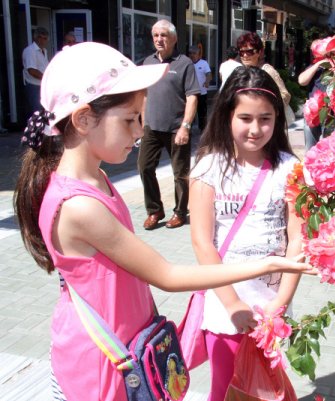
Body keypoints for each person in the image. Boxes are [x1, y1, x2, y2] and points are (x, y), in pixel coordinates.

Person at [13, 42, 314, 401]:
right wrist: (265, 264)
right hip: (100, 367)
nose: (140, 131)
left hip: (123, 350)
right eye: (130, 119)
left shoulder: (97, 180)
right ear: (82, 118)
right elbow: (167, 276)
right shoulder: (79, 205)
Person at [189, 66, 303, 401]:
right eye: (246, 118)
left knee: (264, 388)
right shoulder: (207, 167)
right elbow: (201, 240)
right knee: (225, 389)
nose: (256, 129)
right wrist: (233, 303)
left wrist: (280, 304)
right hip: (226, 308)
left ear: (277, 119)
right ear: (227, 116)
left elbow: (297, 238)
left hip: (271, 310)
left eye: (265, 119)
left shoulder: (290, 168)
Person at [138, 19, 200, 230]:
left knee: (180, 174)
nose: (159, 39)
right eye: (156, 35)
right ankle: (154, 210)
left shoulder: (184, 64)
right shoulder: (147, 62)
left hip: (176, 128)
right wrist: (143, 123)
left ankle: (180, 212)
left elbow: (192, 97)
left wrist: (186, 126)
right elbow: (144, 96)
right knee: (144, 167)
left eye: (163, 35)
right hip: (151, 128)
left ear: (174, 38)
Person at [236, 32, 294, 126]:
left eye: (250, 52)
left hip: (266, 124)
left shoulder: (267, 71)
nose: (245, 56)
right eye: (242, 52)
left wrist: (267, 108)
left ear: (259, 52)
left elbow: (285, 95)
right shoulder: (240, 73)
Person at [22, 26, 49, 117]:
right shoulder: (30, 51)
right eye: (41, 38)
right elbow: (31, 70)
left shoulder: (44, 51)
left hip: (42, 86)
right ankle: (36, 130)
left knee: (44, 111)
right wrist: (46, 78)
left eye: (45, 38)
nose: (43, 41)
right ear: (36, 38)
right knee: (37, 112)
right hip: (34, 86)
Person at [188, 44, 212, 132]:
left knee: (202, 113)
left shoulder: (204, 63)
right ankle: (188, 129)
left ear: (198, 54)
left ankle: (203, 130)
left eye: (194, 53)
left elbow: (209, 74)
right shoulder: (187, 63)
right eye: (190, 53)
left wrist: (207, 81)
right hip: (190, 93)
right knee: (190, 112)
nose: (192, 55)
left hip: (202, 93)